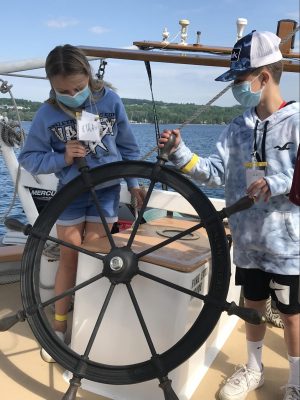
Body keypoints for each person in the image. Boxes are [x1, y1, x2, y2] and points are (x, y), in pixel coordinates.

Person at [159, 31, 299, 400]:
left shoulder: (297, 121)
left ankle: (297, 379)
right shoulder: (237, 127)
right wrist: (178, 152)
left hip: (288, 245)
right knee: (252, 306)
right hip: (248, 243)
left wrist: (278, 182)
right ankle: (253, 368)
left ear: (262, 77)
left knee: (291, 313)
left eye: (240, 79)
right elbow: (214, 171)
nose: (237, 87)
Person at [18, 44, 144, 360]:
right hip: (71, 197)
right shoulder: (47, 114)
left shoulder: (110, 102)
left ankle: (88, 327)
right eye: (63, 90)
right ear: (51, 86)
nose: (72, 93)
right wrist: (62, 157)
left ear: (88, 75)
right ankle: (60, 327)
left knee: (94, 258)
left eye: (78, 87)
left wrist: (135, 184)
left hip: (106, 192)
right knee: (70, 258)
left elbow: (128, 148)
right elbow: (30, 158)